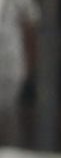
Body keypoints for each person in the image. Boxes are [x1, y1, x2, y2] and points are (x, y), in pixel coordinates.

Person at [0, 0, 38, 147]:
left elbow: (30, 28)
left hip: (12, 65)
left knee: (9, 117)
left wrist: (31, 64)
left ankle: (12, 157)